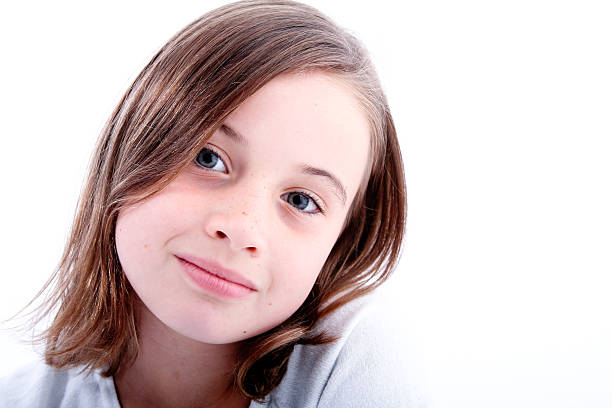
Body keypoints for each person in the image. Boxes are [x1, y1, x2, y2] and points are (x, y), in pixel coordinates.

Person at [1, 1, 425, 407]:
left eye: (300, 200)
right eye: (208, 158)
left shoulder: (353, 362)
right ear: (130, 149)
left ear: (340, 245)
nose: (241, 227)